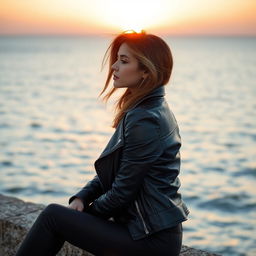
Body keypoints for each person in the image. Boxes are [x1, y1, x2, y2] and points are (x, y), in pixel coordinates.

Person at [16, 30, 189, 256]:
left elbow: (122, 191)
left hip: (151, 241)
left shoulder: (145, 118)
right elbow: (118, 171)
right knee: (58, 216)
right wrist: (82, 197)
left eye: (124, 61)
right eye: (117, 58)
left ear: (146, 71)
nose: (114, 67)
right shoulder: (148, 108)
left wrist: (84, 216)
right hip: (144, 231)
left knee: (53, 217)